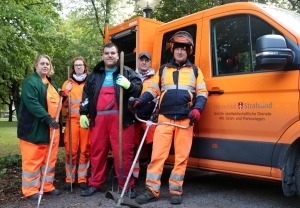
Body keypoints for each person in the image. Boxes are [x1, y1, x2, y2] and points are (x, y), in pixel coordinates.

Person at [132, 31, 208, 205]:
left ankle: (175, 190)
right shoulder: (163, 70)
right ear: (172, 50)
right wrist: (140, 100)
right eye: (177, 49)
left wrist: (198, 109)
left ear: (188, 51)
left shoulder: (196, 71)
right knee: (157, 156)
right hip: (164, 118)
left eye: (183, 49)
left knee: (181, 157)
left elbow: (203, 93)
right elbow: (152, 90)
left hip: (185, 120)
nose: (180, 52)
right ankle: (151, 190)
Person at [79, 43, 142, 198]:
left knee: (123, 153)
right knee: (97, 152)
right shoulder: (94, 75)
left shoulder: (127, 72)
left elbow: (139, 89)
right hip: (99, 120)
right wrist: (83, 112)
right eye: (107, 53)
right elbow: (86, 95)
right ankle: (95, 183)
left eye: (113, 53)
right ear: (103, 55)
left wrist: (129, 85)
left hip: (121, 119)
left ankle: (126, 185)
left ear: (117, 55)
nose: (110, 56)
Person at [17, 54, 64, 200]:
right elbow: (32, 103)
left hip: (50, 129)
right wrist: (48, 119)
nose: (45, 66)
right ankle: (30, 190)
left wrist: (63, 97)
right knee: (33, 159)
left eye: (47, 64)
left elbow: (54, 104)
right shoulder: (30, 82)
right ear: (36, 65)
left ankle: (46, 186)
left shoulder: (49, 84)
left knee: (49, 160)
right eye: (42, 63)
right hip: (34, 129)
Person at [61, 57, 90, 190]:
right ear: (73, 67)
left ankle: (82, 179)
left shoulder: (90, 81)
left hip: (86, 121)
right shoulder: (67, 83)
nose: (79, 67)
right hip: (71, 121)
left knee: (85, 150)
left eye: (81, 65)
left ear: (84, 67)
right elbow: (63, 104)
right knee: (70, 151)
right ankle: (70, 179)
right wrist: (65, 93)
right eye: (76, 65)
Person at [132, 52, 157, 180]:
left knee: (154, 144)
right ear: (138, 61)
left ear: (150, 62)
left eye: (146, 60)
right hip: (135, 116)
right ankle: (134, 176)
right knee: (134, 145)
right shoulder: (132, 76)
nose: (144, 62)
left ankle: (152, 175)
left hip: (150, 117)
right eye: (141, 60)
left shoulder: (156, 77)